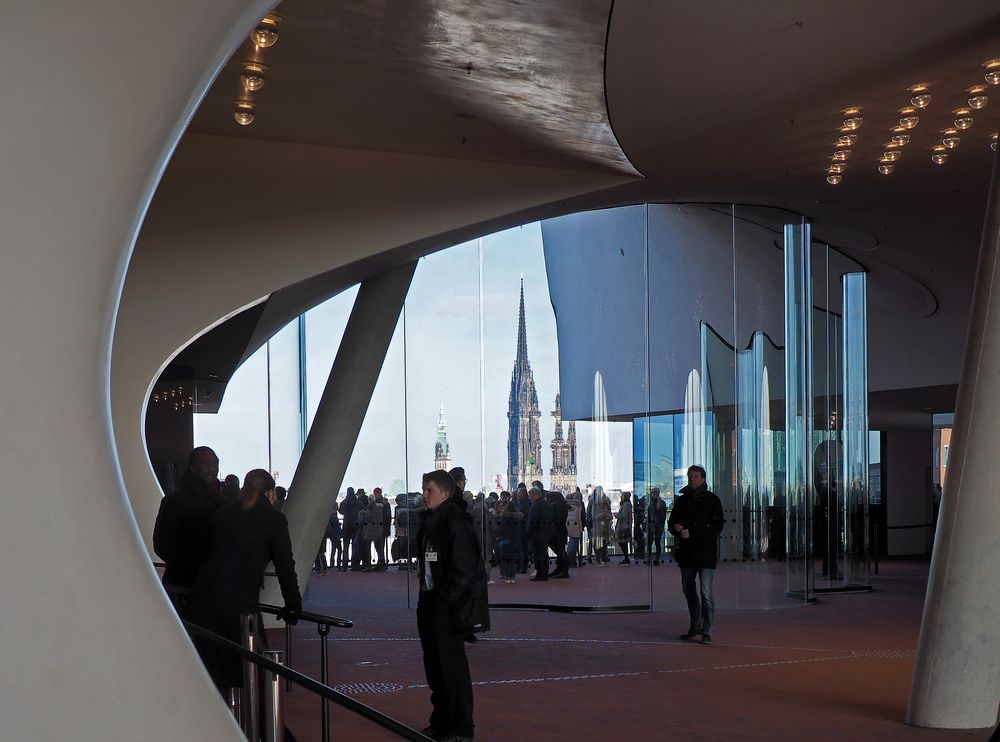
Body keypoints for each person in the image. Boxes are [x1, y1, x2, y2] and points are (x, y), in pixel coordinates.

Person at [187, 469, 302, 690]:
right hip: (241, 602)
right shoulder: (273, 519)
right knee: (251, 666)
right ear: (270, 492)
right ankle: (251, 719)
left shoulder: (222, 515)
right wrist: (293, 606)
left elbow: (202, 556)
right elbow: (285, 566)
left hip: (204, 600)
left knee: (212, 667)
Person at [416, 470, 478, 742]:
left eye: (429, 490)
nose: (424, 495)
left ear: (445, 493)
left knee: (451, 668)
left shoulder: (455, 523)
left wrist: (442, 602)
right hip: (430, 601)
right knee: (435, 667)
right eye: (423, 489)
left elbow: (462, 571)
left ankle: (461, 727)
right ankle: (441, 721)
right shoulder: (430, 522)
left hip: (447, 607)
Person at [153, 446, 223, 601]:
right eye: (207, 464)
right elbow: (162, 544)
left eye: (215, 464)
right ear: (192, 467)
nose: (212, 468)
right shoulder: (175, 501)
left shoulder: (219, 501)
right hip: (187, 584)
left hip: (197, 582)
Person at [668, 465, 725, 645]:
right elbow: (671, 523)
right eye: (690, 476)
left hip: (705, 553)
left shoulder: (712, 500)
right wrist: (676, 529)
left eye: (695, 476)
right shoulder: (682, 501)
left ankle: (706, 630)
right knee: (688, 589)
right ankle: (695, 625)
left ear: (703, 478)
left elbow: (717, 527)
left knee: (706, 593)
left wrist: (692, 533)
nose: (692, 479)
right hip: (687, 554)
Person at [540, 484, 570, 578]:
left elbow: (554, 520)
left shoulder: (557, 507)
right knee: (560, 551)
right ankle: (560, 569)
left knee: (560, 551)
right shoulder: (561, 506)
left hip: (558, 532)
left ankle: (564, 571)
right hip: (559, 532)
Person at [494, 492, 523, 584]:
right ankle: (511, 576)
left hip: (505, 537)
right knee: (511, 558)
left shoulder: (502, 516)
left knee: (504, 557)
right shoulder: (516, 516)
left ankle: (506, 574)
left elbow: (499, 527)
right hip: (513, 537)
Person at [526, 485, 554, 581]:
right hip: (545, 533)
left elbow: (532, 521)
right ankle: (543, 573)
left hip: (538, 534)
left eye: (530, 496)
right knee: (543, 553)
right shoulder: (545, 504)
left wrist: (528, 532)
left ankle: (540, 574)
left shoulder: (536, 506)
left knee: (539, 554)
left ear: (535, 495)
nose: (529, 498)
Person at [338, 487, 359, 569]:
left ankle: (344, 566)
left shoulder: (344, 502)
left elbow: (340, 511)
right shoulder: (357, 502)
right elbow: (361, 509)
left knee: (345, 547)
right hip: (355, 526)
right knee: (355, 546)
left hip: (346, 526)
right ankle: (354, 565)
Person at [367, 487, 387, 571]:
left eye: (375, 494)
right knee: (380, 547)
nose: (375, 495)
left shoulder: (378, 505)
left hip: (378, 529)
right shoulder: (384, 504)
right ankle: (381, 563)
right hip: (381, 528)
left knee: (379, 547)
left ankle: (381, 564)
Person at [647, 487, 668, 564]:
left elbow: (663, 516)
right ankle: (649, 558)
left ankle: (657, 558)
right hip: (652, 525)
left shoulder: (661, 503)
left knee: (657, 542)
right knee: (650, 542)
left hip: (658, 525)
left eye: (654, 492)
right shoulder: (650, 503)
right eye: (652, 492)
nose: (653, 494)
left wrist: (657, 522)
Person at [566, 488, 585, 568]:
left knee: (571, 543)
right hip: (578, 527)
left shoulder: (568, 505)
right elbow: (582, 516)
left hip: (570, 527)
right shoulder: (579, 505)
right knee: (577, 544)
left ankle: (571, 560)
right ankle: (577, 560)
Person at [615, 491, 633, 565]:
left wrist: (617, 515)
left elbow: (624, 516)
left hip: (623, 526)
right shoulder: (627, 504)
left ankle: (626, 558)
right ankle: (626, 558)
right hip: (624, 525)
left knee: (623, 542)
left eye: (622, 496)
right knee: (623, 542)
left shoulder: (626, 505)